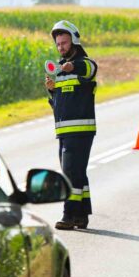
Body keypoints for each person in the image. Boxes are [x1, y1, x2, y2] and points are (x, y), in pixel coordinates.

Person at [44, 20, 98, 231]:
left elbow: (90, 68)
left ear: (74, 41)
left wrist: (73, 66)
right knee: (78, 174)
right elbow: (60, 102)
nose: (61, 47)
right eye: (58, 44)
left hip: (80, 130)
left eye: (64, 43)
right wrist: (52, 90)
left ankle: (68, 215)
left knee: (69, 174)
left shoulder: (84, 64)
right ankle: (81, 216)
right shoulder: (59, 70)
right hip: (64, 132)